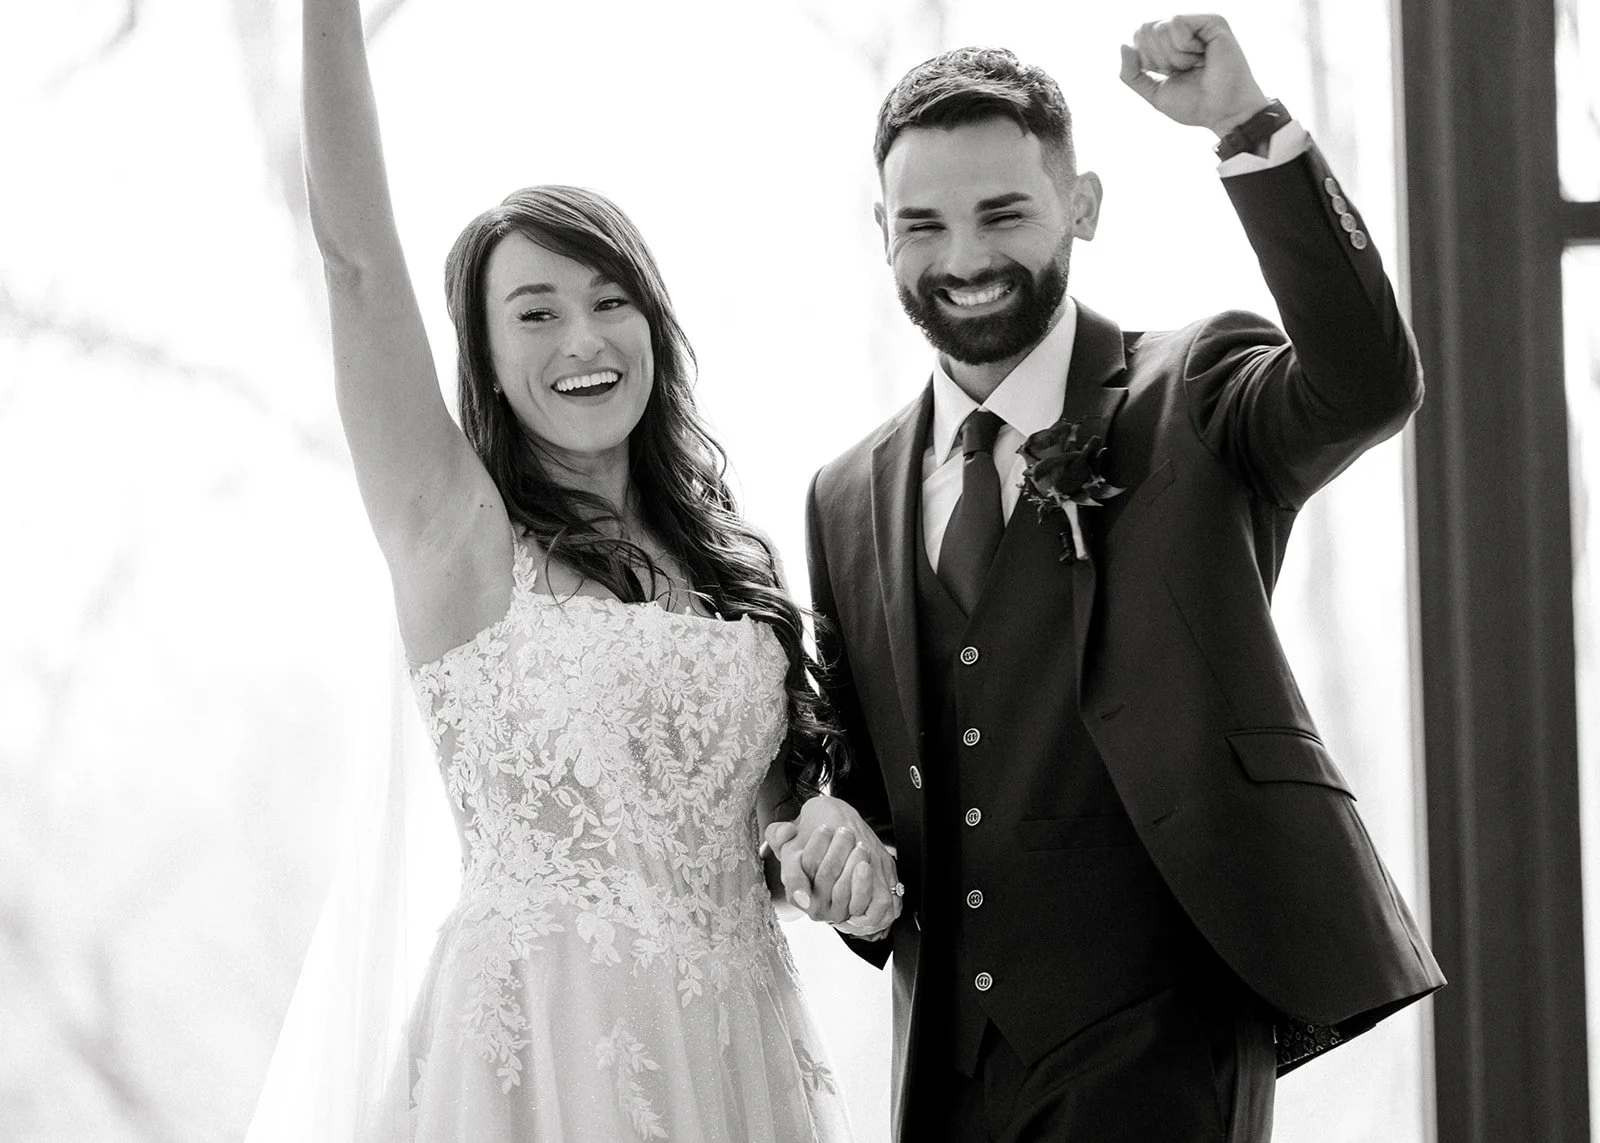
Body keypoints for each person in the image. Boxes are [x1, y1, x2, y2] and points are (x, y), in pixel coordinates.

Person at [767, 14, 1445, 1143]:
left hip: (1164, 1050)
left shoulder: (1194, 391)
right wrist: (844, 866)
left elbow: (1365, 383)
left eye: (1002, 214)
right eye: (923, 224)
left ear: (1080, 206)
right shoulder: (844, 495)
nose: (963, 259)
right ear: (882, 232)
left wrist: (1245, 125)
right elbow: (882, 794)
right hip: (948, 1072)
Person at [271, 0, 896, 1137]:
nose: (583, 340)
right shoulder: (455, 536)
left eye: (612, 302)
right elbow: (354, 262)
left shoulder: (730, 570)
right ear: (485, 356)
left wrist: (826, 844)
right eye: (536, 313)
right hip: (544, 1053)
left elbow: (774, 837)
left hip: (737, 1056)